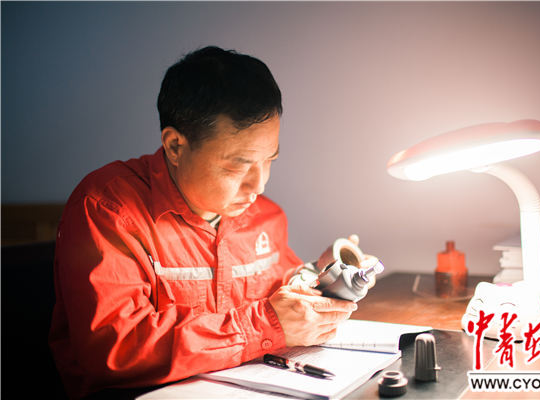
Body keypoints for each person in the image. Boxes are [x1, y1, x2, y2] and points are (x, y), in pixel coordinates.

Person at [49, 46, 369, 399]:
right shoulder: (108, 208)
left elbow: (281, 294)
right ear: (175, 146)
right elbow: (116, 347)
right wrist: (264, 325)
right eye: (237, 166)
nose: (259, 185)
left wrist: (322, 278)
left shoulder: (265, 216)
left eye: (269, 160)